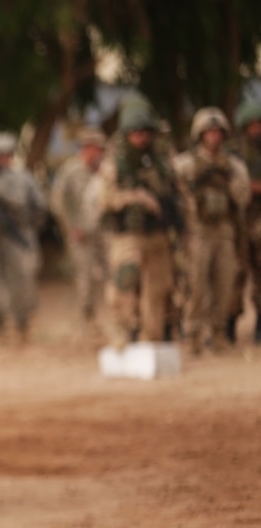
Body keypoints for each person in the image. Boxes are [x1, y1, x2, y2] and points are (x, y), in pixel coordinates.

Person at [89, 95, 182, 349]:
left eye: (145, 132)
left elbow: (178, 193)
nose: (141, 137)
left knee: (158, 288)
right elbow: (104, 198)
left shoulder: (163, 160)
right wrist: (135, 197)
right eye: (136, 132)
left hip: (158, 234)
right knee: (125, 279)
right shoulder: (115, 162)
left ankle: (150, 338)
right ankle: (119, 331)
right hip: (128, 234)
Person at [172, 107, 250, 354]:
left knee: (224, 285)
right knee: (197, 286)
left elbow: (243, 196)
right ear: (200, 134)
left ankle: (217, 334)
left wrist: (228, 181)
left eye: (218, 132)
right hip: (198, 232)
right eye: (209, 132)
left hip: (224, 231)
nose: (214, 137)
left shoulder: (233, 165)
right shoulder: (185, 164)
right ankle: (193, 336)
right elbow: (175, 197)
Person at [0, 131, 48, 345]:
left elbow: (37, 207)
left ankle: (21, 325)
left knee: (20, 282)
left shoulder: (20, 178)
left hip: (15, 237)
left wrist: (27, 227)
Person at [49, 127, 108, 329]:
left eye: (100, 149)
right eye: (94, 149)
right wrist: (71, 227)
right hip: (81, 232)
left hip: (105, 230)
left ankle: (113, 316)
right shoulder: (70, 171)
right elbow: (58, 202)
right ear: (85, 149)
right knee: (85, 275)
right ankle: (87, 317)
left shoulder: (106, 171)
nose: (97, 153)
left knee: (111, 273)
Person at [228, 99, 261, 344]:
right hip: (237, 222)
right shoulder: (234, 153)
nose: (256, 130)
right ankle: (228, 325)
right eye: (251, 125)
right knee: (234, 274)